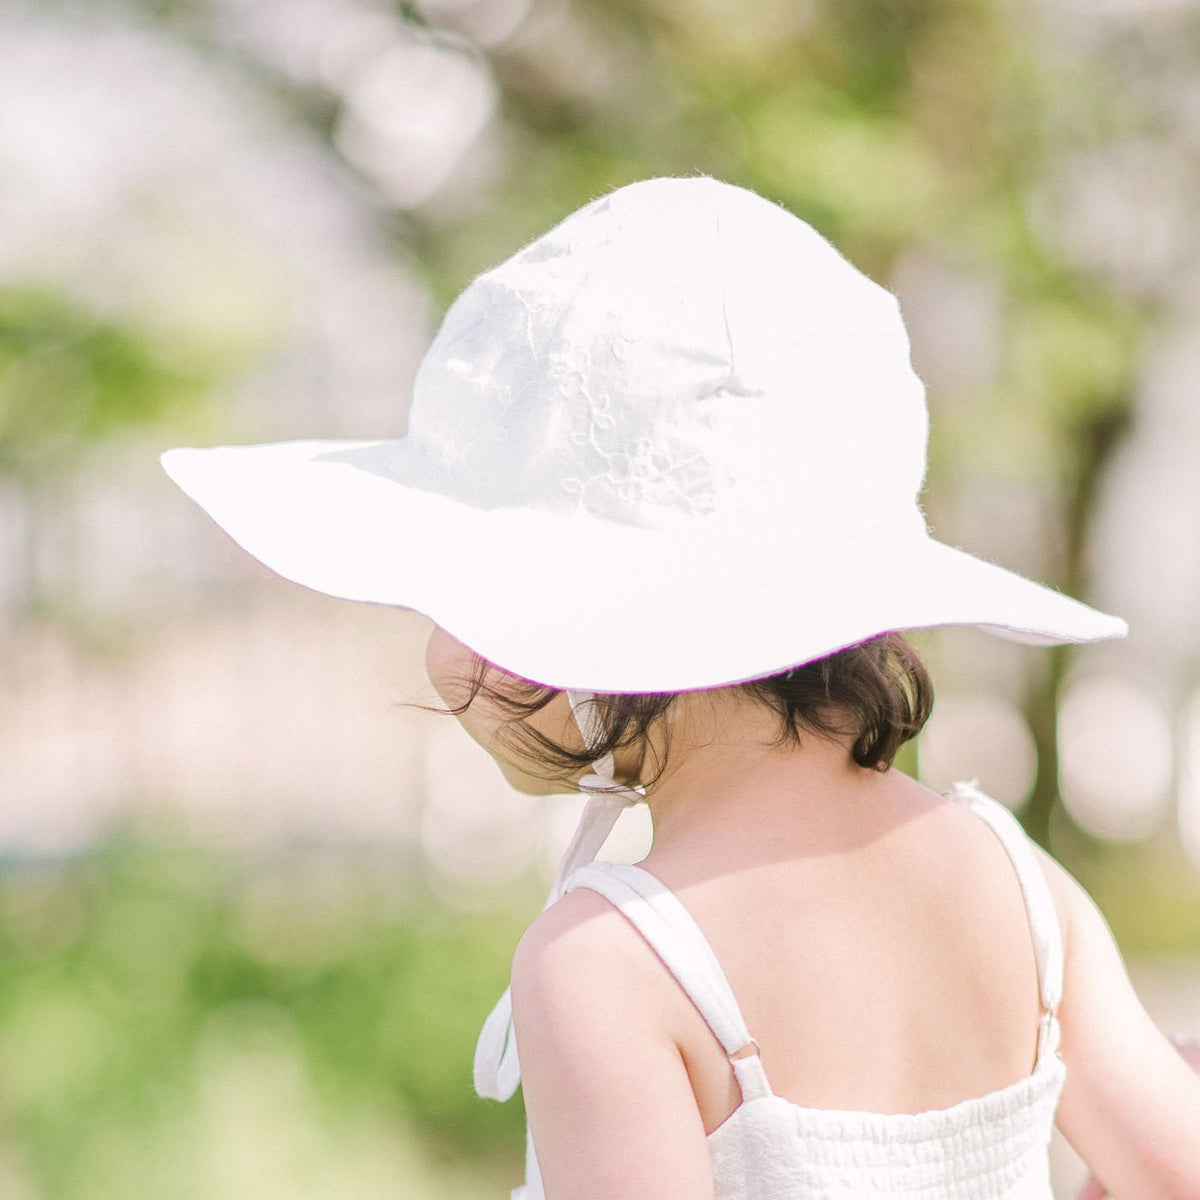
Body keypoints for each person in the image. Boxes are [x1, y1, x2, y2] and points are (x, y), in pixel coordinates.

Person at [163, 177, 1200, 1199]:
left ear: (566, 626)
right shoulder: (1017, 882)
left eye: (454, 589)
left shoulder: (607, 963)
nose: (440, 641)